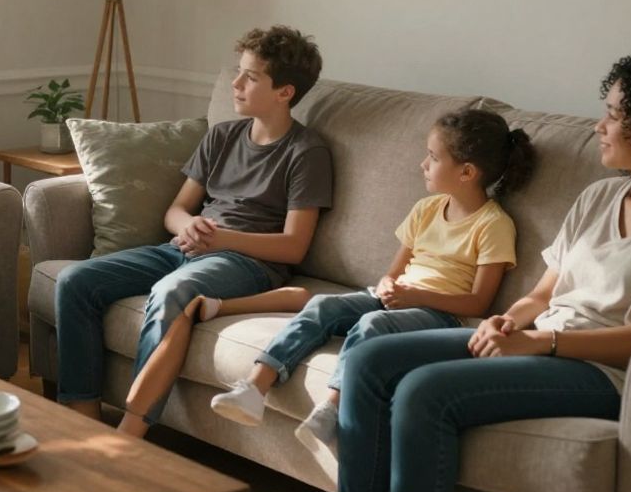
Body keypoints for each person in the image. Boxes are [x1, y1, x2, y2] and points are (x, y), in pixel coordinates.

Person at [331, 52, 631, 492]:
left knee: (424, 391)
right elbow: (542, 295)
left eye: (614, 115)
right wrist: (509, 320)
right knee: (369, 360)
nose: (599, 127)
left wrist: (542, 342)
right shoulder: (599, 197)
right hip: (543, 341)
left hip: (606, 373)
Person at [205, 109, 535, 460]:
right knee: (322, 304)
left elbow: (479, 303)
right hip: (398, 298)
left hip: (440, 315)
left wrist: (414, 295)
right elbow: (393, 272)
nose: (423, 164)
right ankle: (255, 387)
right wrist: (390, 285)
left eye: (434, 157)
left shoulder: (493, 225)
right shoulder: (426, 209)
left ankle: (333, 409)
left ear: (467, 172)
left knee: (372, 323)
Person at [54, 25, 333, 437]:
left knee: (173, 291)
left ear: (285, 92)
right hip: (184, 247)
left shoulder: (306, 152)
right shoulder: (222, 136)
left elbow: (293, 247)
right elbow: (176, 210)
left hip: (248, 262)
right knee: (75, 281)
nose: (236, 84)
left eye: (251, 77)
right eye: (238, 73)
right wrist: (190, 225)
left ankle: (130, 435)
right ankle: (82, 417)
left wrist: (220, 239)